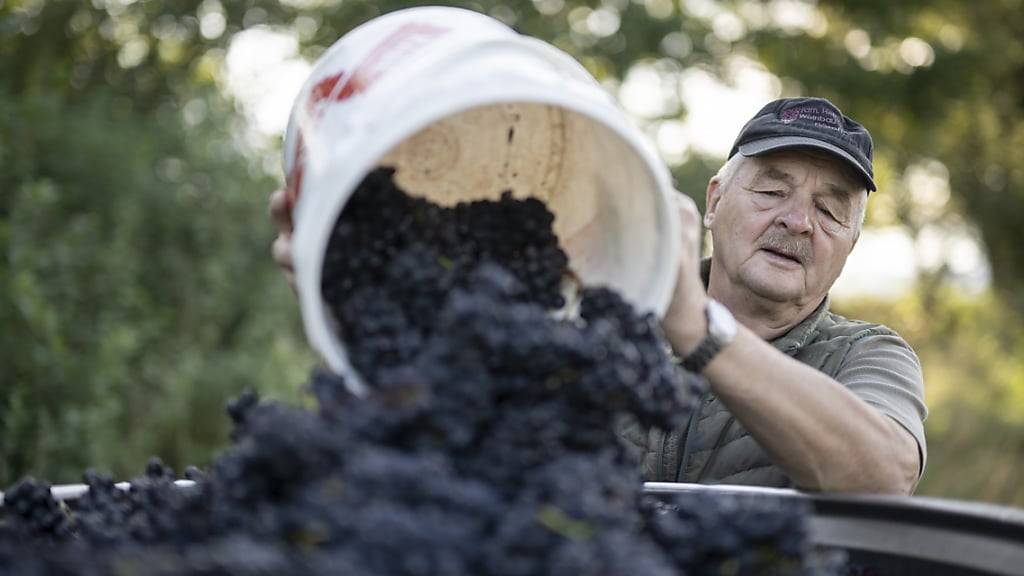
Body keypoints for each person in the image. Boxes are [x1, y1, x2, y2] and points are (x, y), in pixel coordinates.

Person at [269, 97, 927, 495]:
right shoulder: (597, 313)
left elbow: (883, 474)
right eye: (772, 189)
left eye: (831, 210)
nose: (798, 220)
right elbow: (448, 419)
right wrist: (355, 304)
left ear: (849, 244)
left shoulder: (868, 358)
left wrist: (697, 330)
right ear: (716, 200)